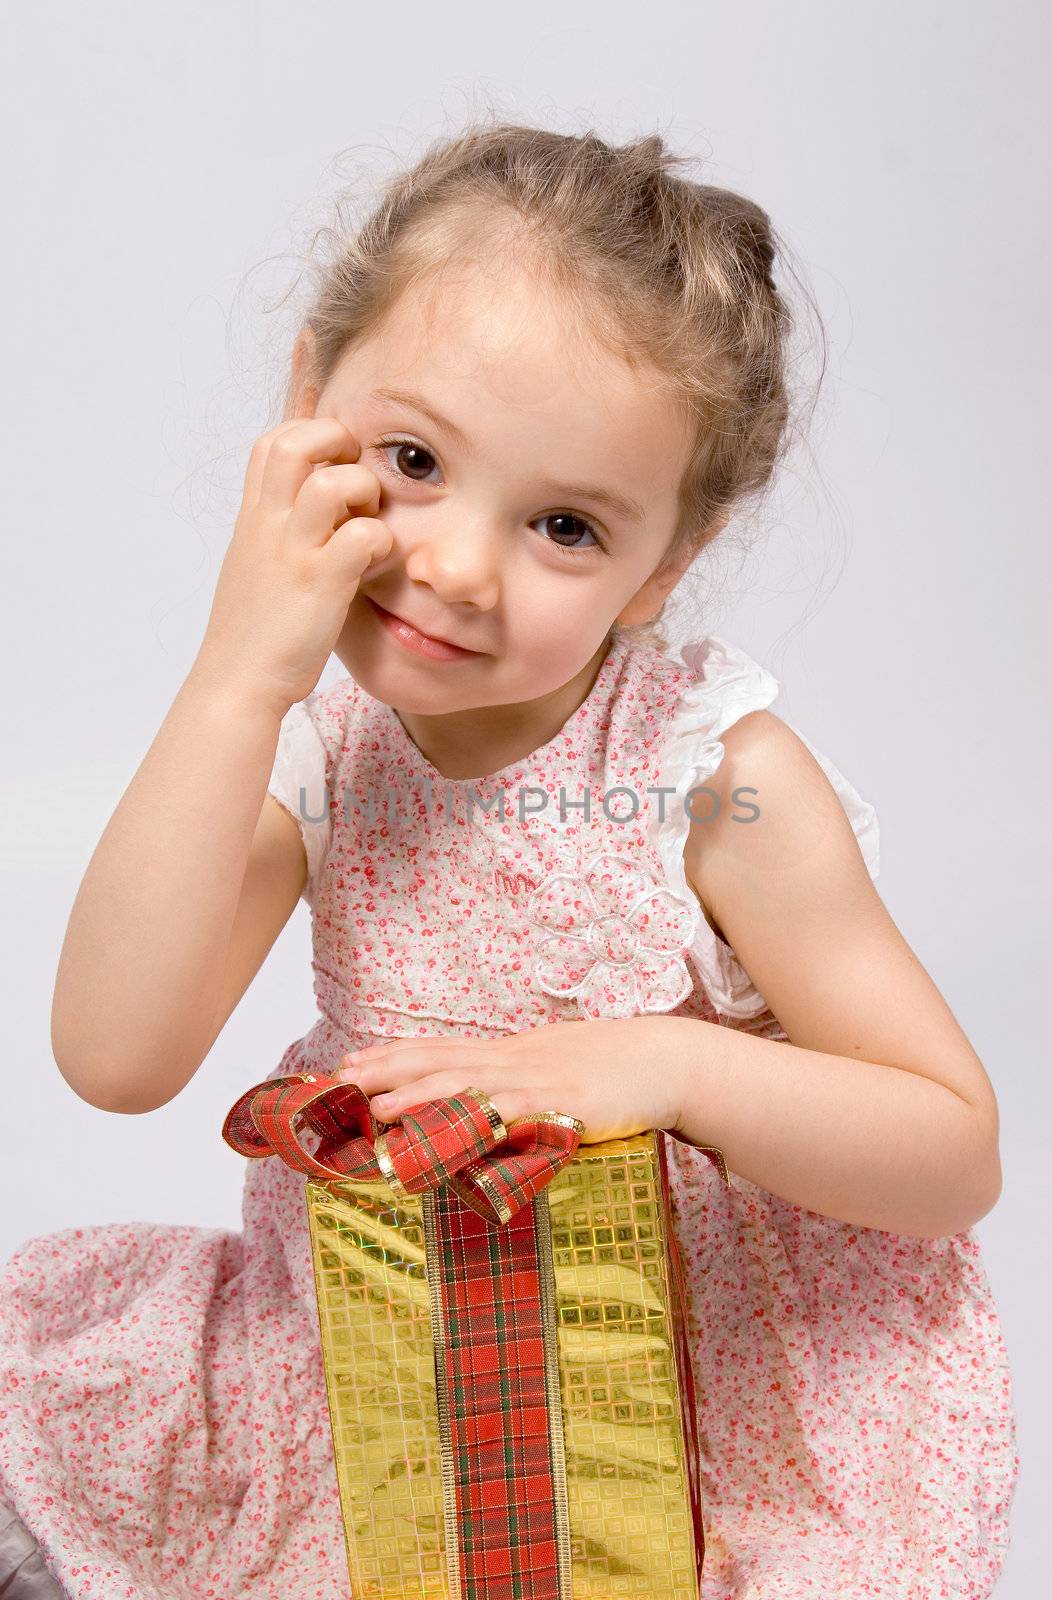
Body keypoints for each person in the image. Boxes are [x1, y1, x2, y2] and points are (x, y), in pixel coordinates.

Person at [0, 118, 1019, 1600]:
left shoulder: (710, 779)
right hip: (381, 1360)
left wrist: (668, 1070)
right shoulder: (314, 746)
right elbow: (114, 1052)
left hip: (674, 1395)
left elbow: (954, 1153)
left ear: (664, 561)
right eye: (411, 460)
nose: (459, 567)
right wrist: (238, 674)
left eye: (563, 524)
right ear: (307, 405)